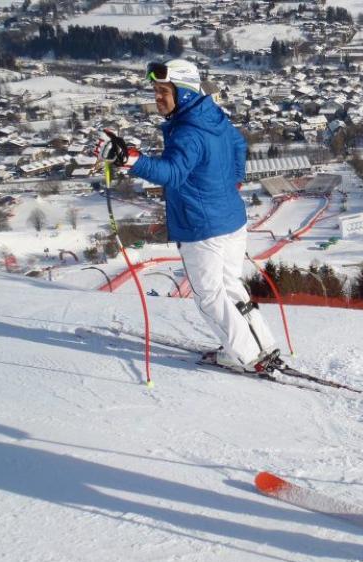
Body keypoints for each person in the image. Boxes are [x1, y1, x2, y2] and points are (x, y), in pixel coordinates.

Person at [96, 59, 281, 375]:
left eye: (164, 91)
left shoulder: (186, 131)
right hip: (231, 219)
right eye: (155, 90)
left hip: (201, 226)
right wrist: (234, 180)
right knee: (229, 285)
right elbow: (237, 142)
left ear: (182, 91)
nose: (157, 97)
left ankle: (247, 356)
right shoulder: (210, 114)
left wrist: (129, 159)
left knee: (209, 296)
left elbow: (172, 172)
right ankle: (261, 343)